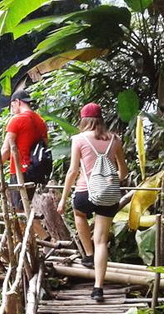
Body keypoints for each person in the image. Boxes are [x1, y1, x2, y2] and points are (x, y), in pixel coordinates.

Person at [57, 103, 128, 301]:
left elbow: (72, 171)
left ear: (83, 120)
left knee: (79, 213)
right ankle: (98, 288)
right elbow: (123, 172)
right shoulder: (115, 139)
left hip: (84, 193)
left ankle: (88, 254)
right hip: (109, 196)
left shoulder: (78, 139)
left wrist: (63, 199)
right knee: (102, 241)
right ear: (101, 119)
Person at [0, 89, 47, 211]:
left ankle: (38, 231)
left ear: (17, 102)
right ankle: (33, 230)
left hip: (20, 170)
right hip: (36, 169)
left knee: (21, 211)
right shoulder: (41, 121)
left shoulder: (17, 120)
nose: (12, 109)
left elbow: (5, 149)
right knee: (25, 207)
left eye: (12, 105)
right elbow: (45, 144)